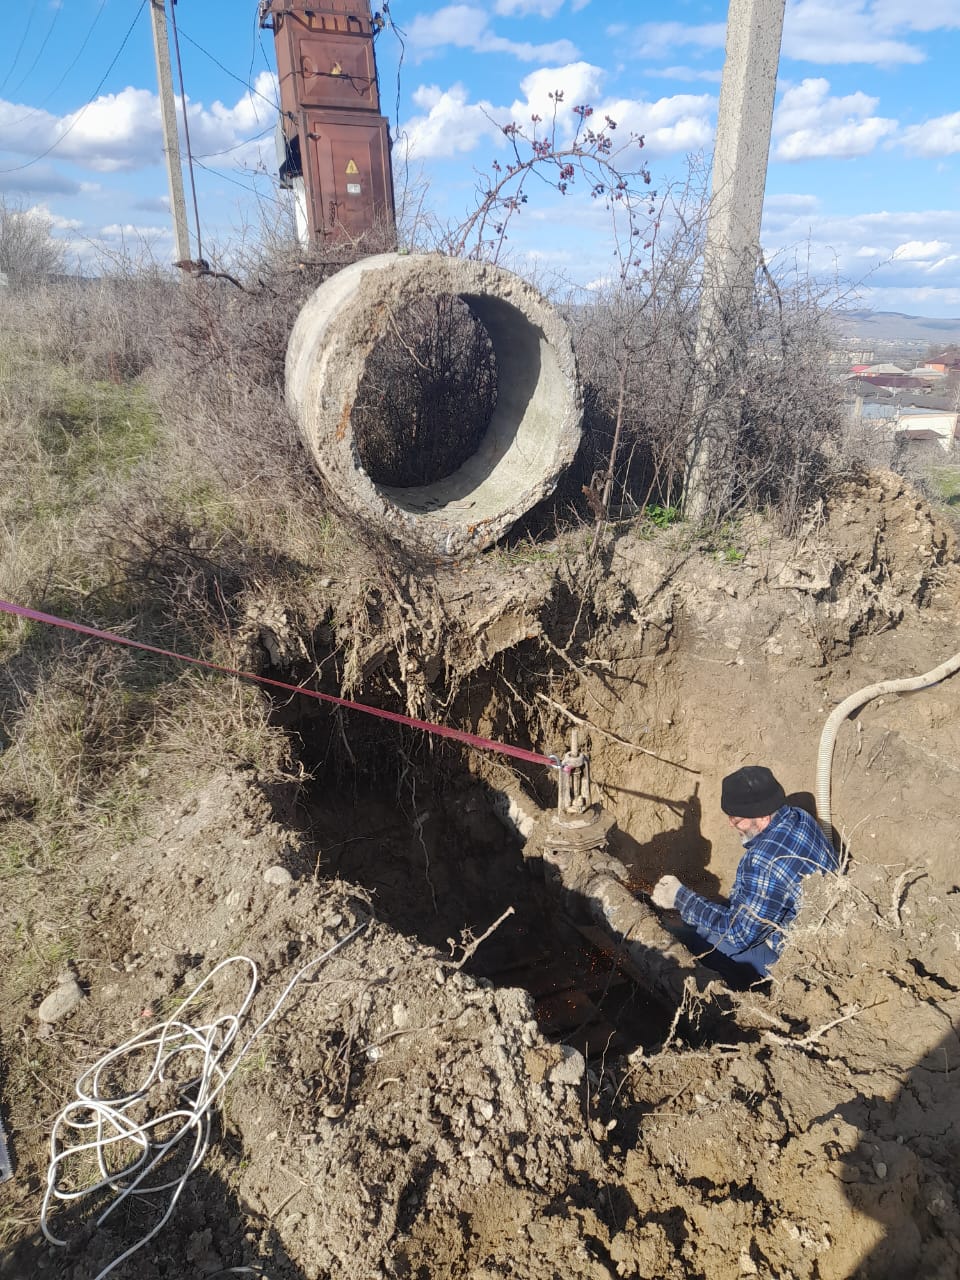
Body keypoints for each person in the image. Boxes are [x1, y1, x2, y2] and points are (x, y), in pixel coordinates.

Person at [650, 765, 840, 980]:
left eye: (737, 820)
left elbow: (739, 935)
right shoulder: (800, 816)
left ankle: (742, 988)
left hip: (794, 960)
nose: (732, 826)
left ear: (763, 818)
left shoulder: (763, 861)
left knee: (704, 942)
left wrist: (680, 897)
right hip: (821, 931)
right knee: (709, 918)